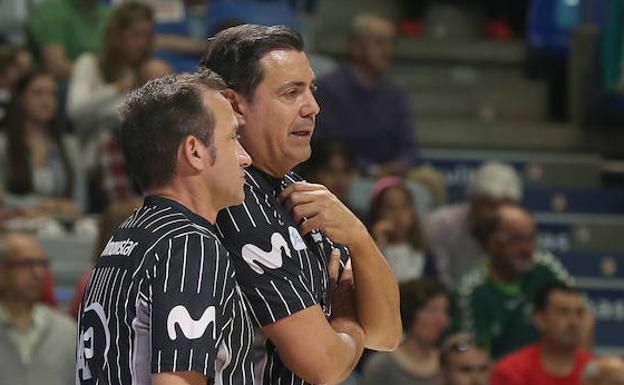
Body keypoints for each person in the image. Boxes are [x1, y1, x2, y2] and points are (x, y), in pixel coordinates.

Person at [201, 24, 401, 385]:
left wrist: (357, 235)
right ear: (235, 105)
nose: (313, 107)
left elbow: (386, 334)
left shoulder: (300, 192)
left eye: (311, 89)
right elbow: (323, 365)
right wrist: (344, 324)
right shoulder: (233, 199)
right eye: (291, 93)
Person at [76, 70, 255, 385]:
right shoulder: (188, 244)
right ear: (194, 151)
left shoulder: (125, 235)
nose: (245, 158)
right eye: (233, 138)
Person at [453, 202, 588, 359]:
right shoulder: (471, 290)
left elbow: (585, 316)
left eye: (531, 238)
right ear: (493, 242)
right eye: (517, 239)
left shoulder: (545, 266)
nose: (527, 248)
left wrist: (579, 370)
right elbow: (473, 357)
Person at [314, 13, 418, 177]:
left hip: (392, 173)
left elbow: (408, 147)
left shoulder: (396, 93)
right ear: (355, 46)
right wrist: (368, 169)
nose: (387, 50)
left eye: (391, 43)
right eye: (379, 42)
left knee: (429, 179)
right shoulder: (328, 88)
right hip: (347, 173)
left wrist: (398, 166)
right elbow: (327, 143)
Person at [67, 2, 154, 144]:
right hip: (94, 155)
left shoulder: (146, 70)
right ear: (116, 35)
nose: (143, 42)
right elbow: (75, 113)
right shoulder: (88, 63)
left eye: (147, 35)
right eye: (136, 34)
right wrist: (118, 87)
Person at [0, 70, 84, 216]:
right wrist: (40, 204)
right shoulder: (4, 145)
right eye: (38, 93)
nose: (47, 100)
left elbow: (80, 203)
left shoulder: (69, 145)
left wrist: (68, 209)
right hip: (17, 226)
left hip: (62, 227)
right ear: (21, 98)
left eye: (52, 94)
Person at [426, 161, 522, 288]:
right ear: (473, 202)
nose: (497, 215)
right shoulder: (441, 223)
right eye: (491, 206)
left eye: (505, 206)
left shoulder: (520, 229)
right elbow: (439, 279)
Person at [0, 232, 76, 385]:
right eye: (26, 264)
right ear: (2, 272)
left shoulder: (67, 331)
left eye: (43, 264)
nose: (39, 273)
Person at [491, 283, 592, 385]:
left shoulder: (596, 374)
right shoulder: (511, 372)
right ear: (540, 319)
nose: (574, 322)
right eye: (563, 312)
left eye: (579, 313)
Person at [362, 278, 449, 385]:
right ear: (410, 312)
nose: (442, 320)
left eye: (444, 311)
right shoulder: (382, 366)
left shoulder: (448, 361)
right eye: (431, 310)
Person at [369, 176, 437, 282]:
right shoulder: (372, 250)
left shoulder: (423, 253)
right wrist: (379, 242)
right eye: (390, 208)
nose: (398, 214)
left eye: (404, 207)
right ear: (377, 212)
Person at [27, 0, 111, 81]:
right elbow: (56, 68)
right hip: (62, 84)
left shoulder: (108, 12)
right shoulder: (52, 10)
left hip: (101, 81)